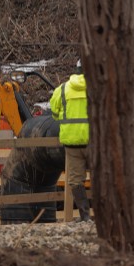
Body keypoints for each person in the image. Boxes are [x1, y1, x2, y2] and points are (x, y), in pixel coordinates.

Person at [49, 60, 90, 221]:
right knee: (103, 176)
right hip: (94, 141)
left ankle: (85, 216)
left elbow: (54, 111)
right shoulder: (100, 88)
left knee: (75, 180)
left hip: (72, 143)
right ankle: (104, 215)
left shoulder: (63, 89)